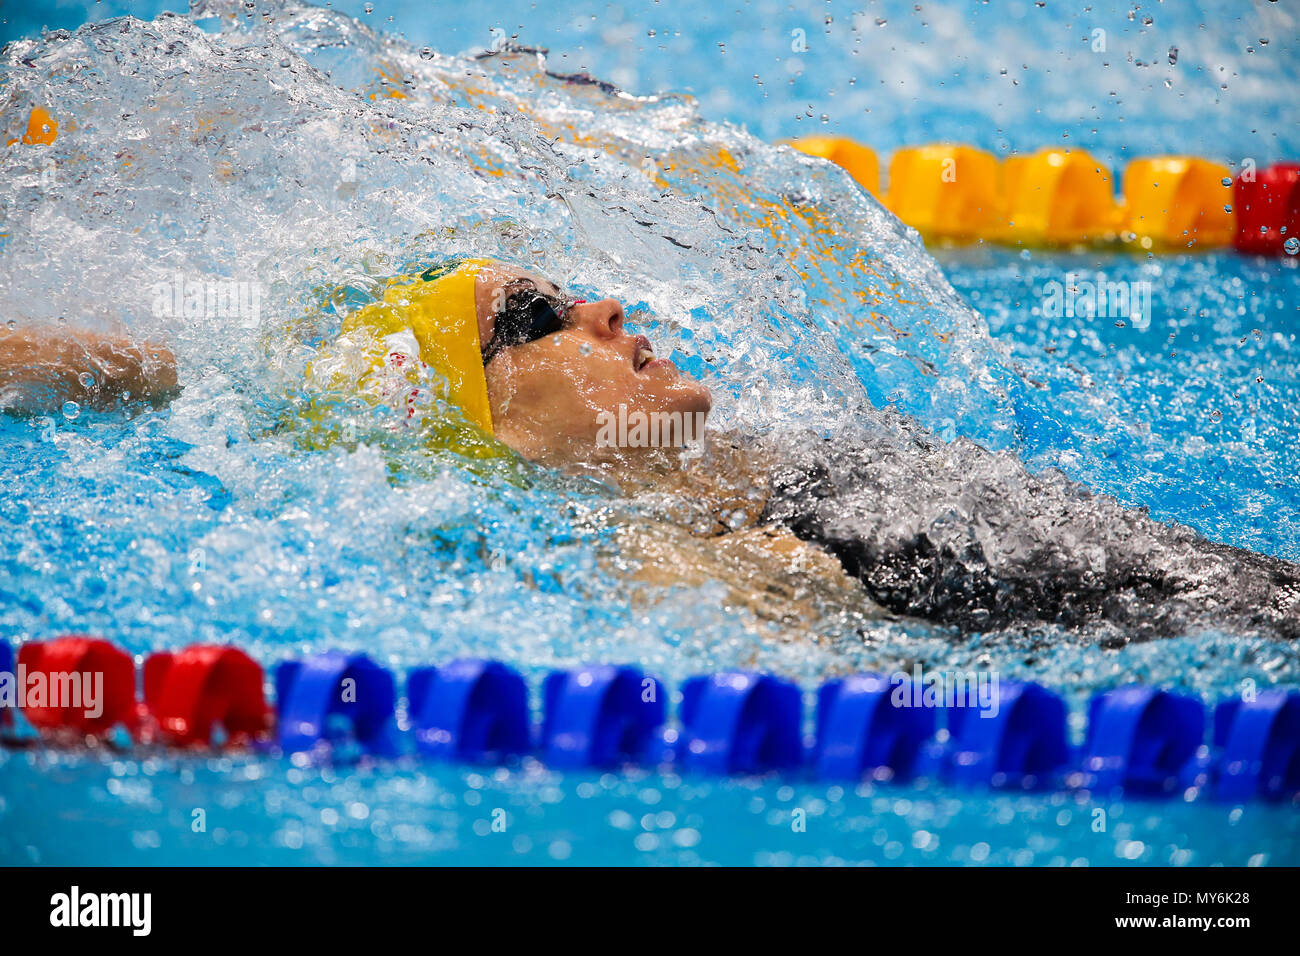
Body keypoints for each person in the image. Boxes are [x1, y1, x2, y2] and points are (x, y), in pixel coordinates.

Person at [3, 257, 1297, 639]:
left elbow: (229, 369)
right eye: (532, 318)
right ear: (491, 425)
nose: (603, 307)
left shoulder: (764, 467)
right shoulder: (675, 547)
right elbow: (817, 691)